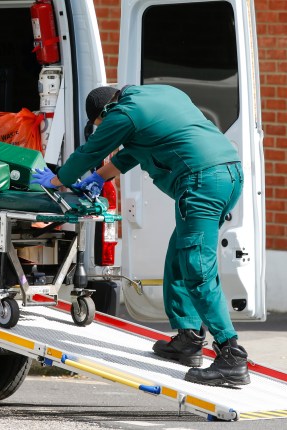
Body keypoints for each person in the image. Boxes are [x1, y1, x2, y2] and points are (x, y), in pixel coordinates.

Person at [31, 84, 249, 386]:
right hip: (228, 174)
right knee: (179, 256)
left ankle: (231, 355)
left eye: (99, 124)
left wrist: (59, 180)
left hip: (202, 182)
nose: (102, 128)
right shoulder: (160, 95)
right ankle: (188, 338)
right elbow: (133, 152)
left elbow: (90, 151)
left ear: (105, 113)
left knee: (197, 268)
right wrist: (98, 177)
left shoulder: (123, 114)